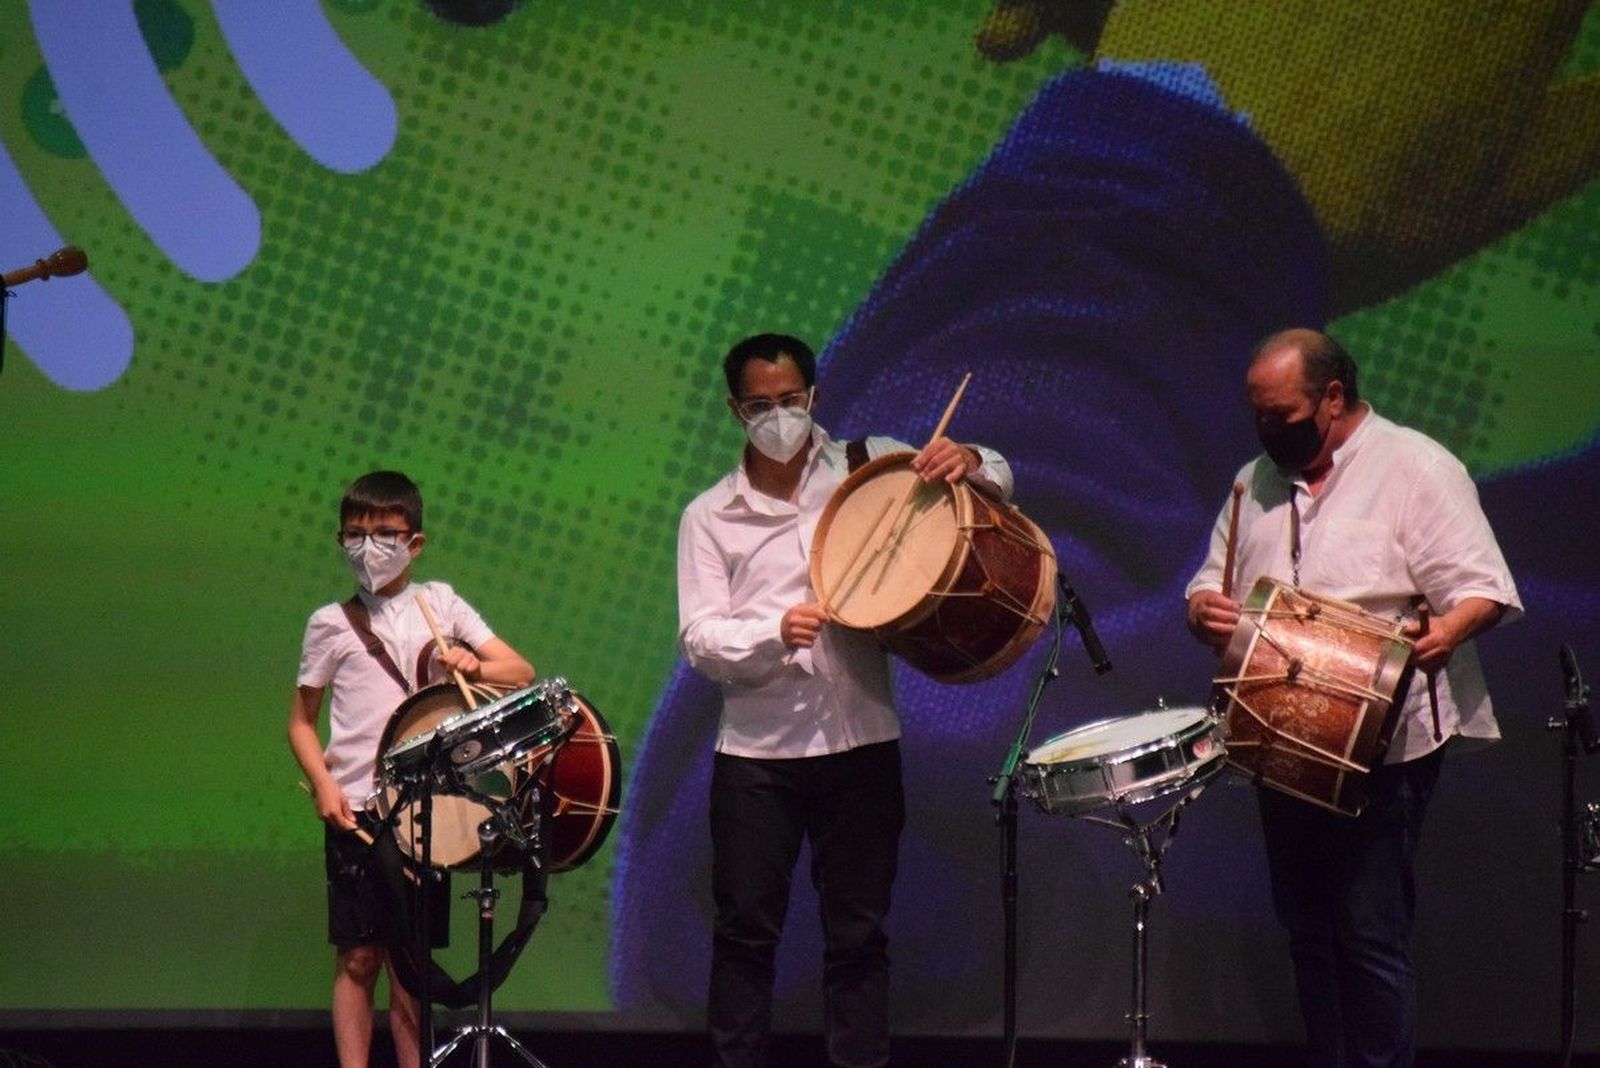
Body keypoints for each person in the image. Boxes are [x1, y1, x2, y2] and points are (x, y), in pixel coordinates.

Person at [1184, 329, 1521, 1067]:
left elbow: (1483, 589)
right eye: (1258, 416)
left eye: (1281, 414)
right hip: (1282, 736)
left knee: (1368, 934)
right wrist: (1204, 606)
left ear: (1332, 399)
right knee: (1307, 927)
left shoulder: (1417, 467)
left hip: (1383, 740)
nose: (1267, 431)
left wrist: (1446, 630)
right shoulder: (1254, 481)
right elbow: (1212, 580)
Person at [677, 333, 1013, 1068]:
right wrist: (773, 631)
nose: (779, 416)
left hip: (860, 742)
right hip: (758, 756)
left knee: (859, 935)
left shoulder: (870, 466)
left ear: (814, 397)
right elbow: (699, 638)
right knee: (744, 933)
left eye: (791, 401)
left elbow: (997, 479)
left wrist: (973, 463)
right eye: (760, 406)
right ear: (736, 410)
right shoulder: (710, 515)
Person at [287, 470, 535, 1068]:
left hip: (428, 811)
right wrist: (323, 785)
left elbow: (520, 673)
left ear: (414, 543)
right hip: (358, 810)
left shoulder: (441, 604)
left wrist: (471, 663)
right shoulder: (329, 623)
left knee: (410, 967)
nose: (368, 548)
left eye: (384, 535)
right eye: (354, 535)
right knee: (357, 958)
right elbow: (300, 720)